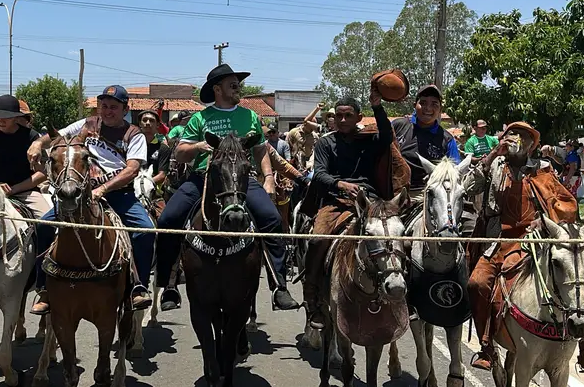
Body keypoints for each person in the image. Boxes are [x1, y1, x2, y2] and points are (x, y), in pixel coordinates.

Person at [155, 64, 300, 312]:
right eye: (233, 85)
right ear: (217, 89)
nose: (238, 88)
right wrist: (198, 146)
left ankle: (279, 285)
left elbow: (260, 149)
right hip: (204, 178)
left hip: (243, 179)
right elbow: (179, 153)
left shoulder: (250, 116)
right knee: (168, 219)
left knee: (271, 218)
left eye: (237, 85)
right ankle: (168, 285)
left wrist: (267, 178)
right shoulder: (200, 118)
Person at [26, 85, 155, 313]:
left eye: (114, 107)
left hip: (119, 195)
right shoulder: (87, 124)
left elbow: (132, 169)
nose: (107, 111)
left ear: (125, 108)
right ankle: (43, 287)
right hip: (79, 194)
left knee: (145, 230)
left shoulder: (134, 134)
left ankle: (138, 286)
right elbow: (58, 135)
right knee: (44, 226)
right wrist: (38, 143)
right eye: (104, 106)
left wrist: (103, 188)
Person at [466, 122, 580, 370]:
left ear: (531, 145)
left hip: (534, 239)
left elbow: (565, 203)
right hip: (498, 238)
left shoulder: (543, 168)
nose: (516, 139)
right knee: (477, 282)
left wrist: (546, 219)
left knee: (576, 270)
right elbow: (468, 187)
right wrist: (493, 154)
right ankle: (487, 346)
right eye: (511, 134)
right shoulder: (495, 164)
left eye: (523, 137)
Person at [302, 87, 410, 329]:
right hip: (335, 202)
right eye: (338, 116)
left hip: (371, 201)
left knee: (400, 236)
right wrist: (340, 184)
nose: (342, 120)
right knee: (318, 240)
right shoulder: (325, 143)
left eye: (348, 115)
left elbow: (386, 136)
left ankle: (404, 293)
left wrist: (378, 107)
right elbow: (318, 174)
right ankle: (313, 297)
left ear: (358, 118)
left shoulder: (369, 140)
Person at [0, 94, 51, 218]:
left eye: (6, 117)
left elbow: (42, 173)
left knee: (46, 220)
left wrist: (14, 189)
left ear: (16, 118)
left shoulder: (31, 136)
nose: (1, 120)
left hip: (26, 192)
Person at [392, 85, 460, 204]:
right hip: (392, 192)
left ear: (440, 109)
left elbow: (455, 173)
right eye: (423, 103)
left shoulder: (447, 139)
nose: (428, 108)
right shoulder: (398, 126)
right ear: (415, 105)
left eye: (434, 104)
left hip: (427, 194)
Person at [139, 109, 171, 187]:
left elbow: (162, 175)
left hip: (152, 190)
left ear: (157, 125)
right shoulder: (132, 145)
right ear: (140, 124)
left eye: (152, 120)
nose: (147, 123)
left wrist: (143, 185)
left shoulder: (163, 148)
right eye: (144, 120)